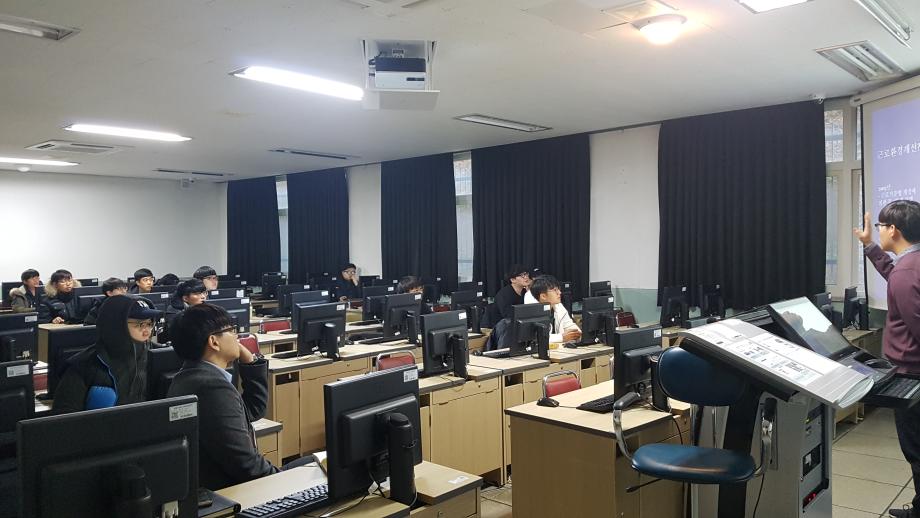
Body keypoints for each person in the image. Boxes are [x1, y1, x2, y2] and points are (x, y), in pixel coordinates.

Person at [165, 303, 279, 490]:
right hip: (231, 493)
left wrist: (250, 361)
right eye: (232, 331)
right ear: (214, 342)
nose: (237, 337)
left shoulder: (192, 376)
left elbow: (252, 411)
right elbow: (246, 464)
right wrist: (284, 480)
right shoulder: (211, 387)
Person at [855, 200, 920, 518]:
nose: (879, 230)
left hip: (912, 374)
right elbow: (895, 275)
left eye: (880, 226)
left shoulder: (907, 272)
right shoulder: (911, 265)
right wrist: (869, 245)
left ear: (893, 229)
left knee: (916, 449)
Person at [53, 295, 160, 413]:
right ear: (117, 325)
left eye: (150, 323)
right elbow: (64, 415)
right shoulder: (84, 364)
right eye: (139, 324)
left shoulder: (157, 356)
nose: (146, 330)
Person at [525, 275, 581, 344]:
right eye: (555, 290)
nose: (559, 292)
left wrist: (577, 334)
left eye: (558, 289)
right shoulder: (533, 313)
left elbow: (570, 325)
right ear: (543, 296)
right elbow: (535, 339)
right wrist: (561, 337)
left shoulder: (559, 306)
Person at [159, 279, 208, 343]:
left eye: (204, 293)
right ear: (185, 298)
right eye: (197, 294)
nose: (203, 297)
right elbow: (178, 337)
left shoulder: (204, 308)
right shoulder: (174, 313)